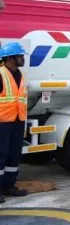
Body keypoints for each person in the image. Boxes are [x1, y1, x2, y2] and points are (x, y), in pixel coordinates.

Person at [0, 42, 29, 201]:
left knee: (14, 155)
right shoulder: (1, 74)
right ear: (10, 58)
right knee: (1, 155)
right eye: (20, 56)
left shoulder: (20, 75)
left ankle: (8, 186)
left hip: (17, 121)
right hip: (2, 122)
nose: (23, 59)